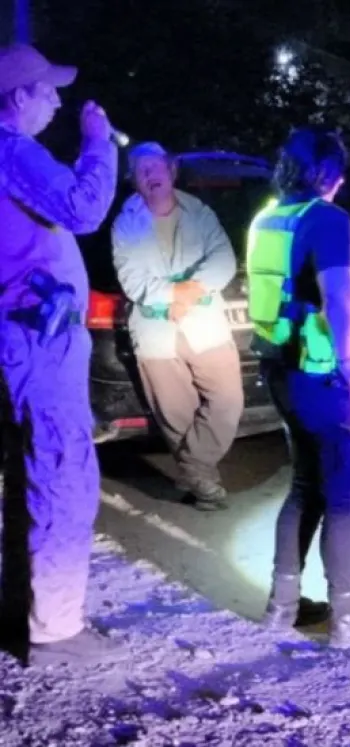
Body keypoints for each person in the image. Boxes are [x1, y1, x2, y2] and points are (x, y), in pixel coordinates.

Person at [247, 126, 350, 647]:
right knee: (345, 500)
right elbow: (341, 298)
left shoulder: (269, 217)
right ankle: (348, 621)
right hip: (329, 377)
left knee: (304, 487)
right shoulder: (328, 220)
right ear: (330, 173)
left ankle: (280, 608)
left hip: (284, 374)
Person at [0, 44, 120, 665]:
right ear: (19, 97)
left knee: (35, 470)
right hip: (38, 338)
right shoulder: (10, 148)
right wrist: (100, 143)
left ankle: (34, 611)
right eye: (48, 91)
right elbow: (83, 207)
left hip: (24, 335)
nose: (58, 100)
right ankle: (53, 627)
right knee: (62, 469)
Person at [111, 142, 242, 511]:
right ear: (133, 181)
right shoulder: (126, 224)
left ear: (171, 171)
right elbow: (134, 281)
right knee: (176, 416)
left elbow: (223, 259)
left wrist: (190, 291)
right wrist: (177, 295)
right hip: (157, 334)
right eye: (141, 171)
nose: (151, 176)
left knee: (228, 401)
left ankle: (192, 469)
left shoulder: (199, 213)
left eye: (156, 167)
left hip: (205, 325)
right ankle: (206, 488)